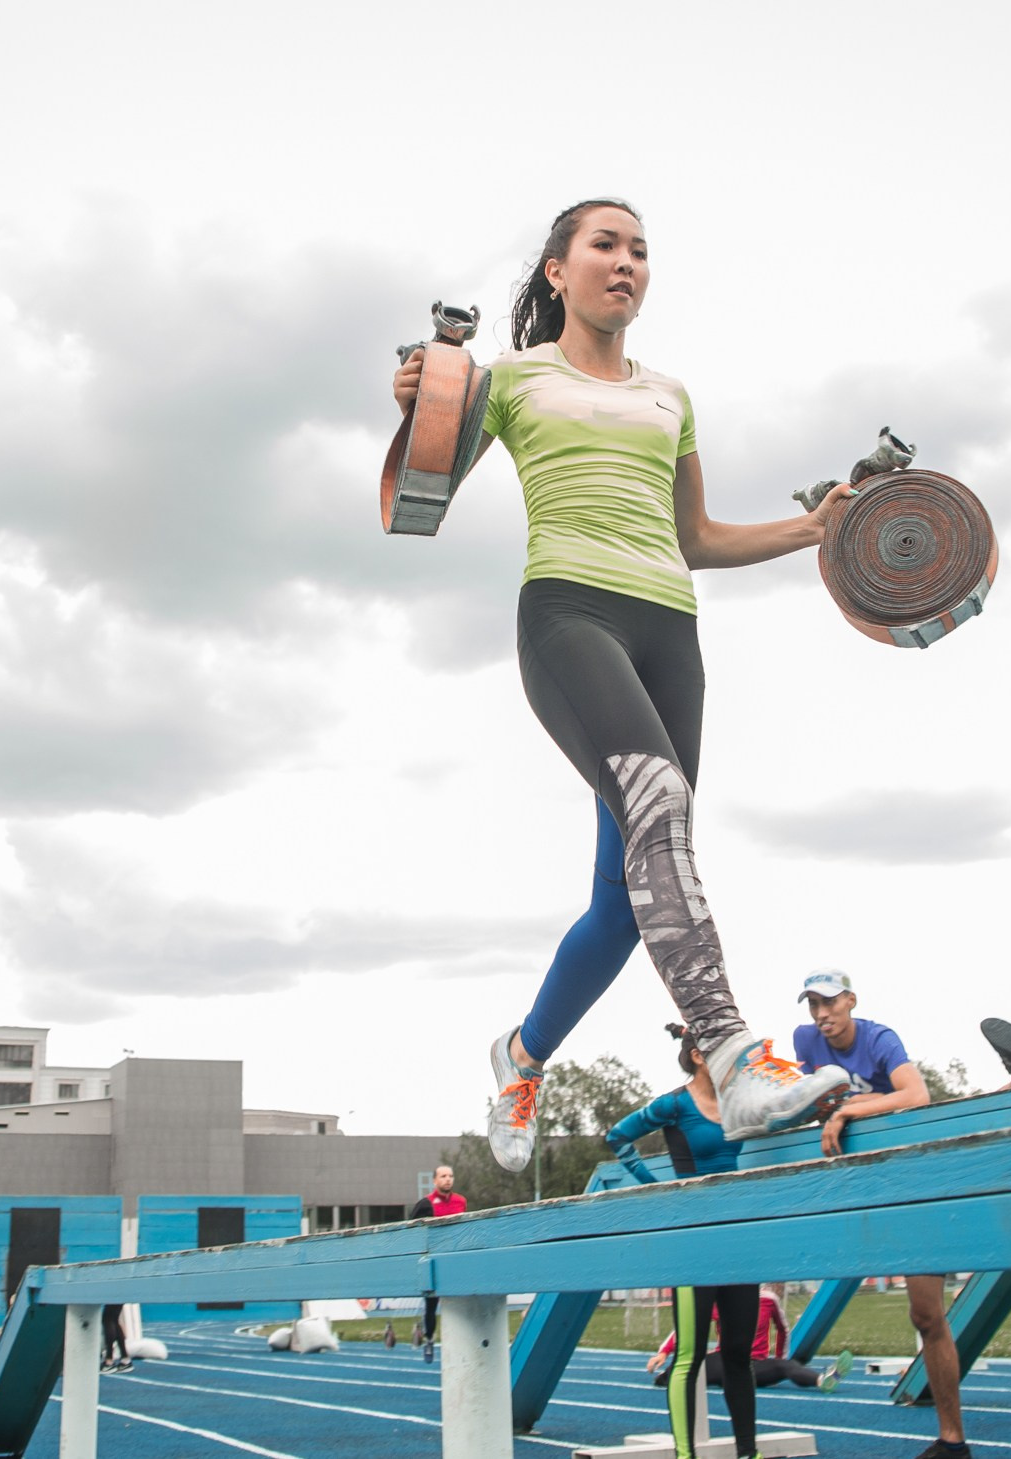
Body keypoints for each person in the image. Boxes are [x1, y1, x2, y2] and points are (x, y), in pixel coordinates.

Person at [392, 197, 853, 1172]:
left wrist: (813, 529)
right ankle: (731, 1057)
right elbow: (421, 489)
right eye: (605, 245)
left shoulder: (670, 396)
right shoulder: (510, 377)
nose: (626, 262)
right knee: (658, 807)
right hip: (569, 615)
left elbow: (696, 538)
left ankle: (519, 1056)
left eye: (641, 250)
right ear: (556, 271)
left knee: (625, 895)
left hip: (667, 630)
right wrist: (426, 399)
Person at [792, 972, 1011, 1459]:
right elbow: (810, 1103)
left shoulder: (878, 1037)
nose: (821, 1015)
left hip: (911, 1178)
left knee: (927, 1315)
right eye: (813, 1006)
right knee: (921, 1313)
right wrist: (842, 1108)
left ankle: (953, 1442)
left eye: (829, 1003)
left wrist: (848, 1111)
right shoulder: (805, 1040)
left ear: (850, 1000)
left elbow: (916, 1096)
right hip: (858, 1183)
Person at [605, 1025, 763, 1459]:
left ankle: (748, 1452)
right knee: (689, 1356)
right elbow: (617, 1136)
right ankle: (685, 1454)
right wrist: (655, 1188)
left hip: (737, 1241)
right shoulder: (675, 1104)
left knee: (737, 1352)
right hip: (693, 1244)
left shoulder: (737, 1102)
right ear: (697, 1055)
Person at [645, 1283, 840, 1392]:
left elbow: (783, 1330)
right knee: (674, 1374)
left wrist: (780, 1357)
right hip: (722, 1360)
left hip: (753, 1365)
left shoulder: (768, 1300)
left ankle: (822, 1380)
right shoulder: (721, 1299)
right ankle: (664, 1378)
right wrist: (663, 1352)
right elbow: (689, 1325)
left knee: (785, 1367)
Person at [407, 1166, 468, 1360]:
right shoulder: (426, 1204)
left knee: (460, 1301)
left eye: (450, 1176)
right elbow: (412, 1230)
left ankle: (462, 1339)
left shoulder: (461, 1201)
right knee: (431, 1304)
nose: (448, 1179)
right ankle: (429, 1339)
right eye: (443, 1176)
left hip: (455, 1258)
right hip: (434, 1259)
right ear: (435, 1181)